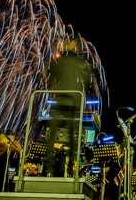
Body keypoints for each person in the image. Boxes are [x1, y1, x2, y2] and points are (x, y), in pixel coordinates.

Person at [43, 36, 92, 177]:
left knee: (51, 134)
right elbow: (88, 79)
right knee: (72, 136)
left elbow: (49, 77)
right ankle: (71, 169)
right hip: (74, 100)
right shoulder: (79, 62)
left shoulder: (59, 61)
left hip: (60, 98)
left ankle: (48, 168)